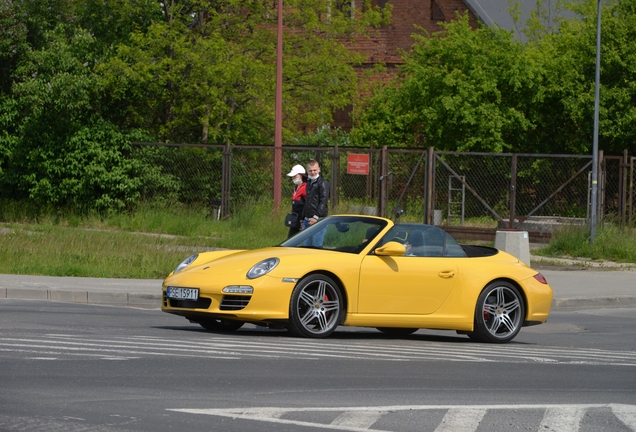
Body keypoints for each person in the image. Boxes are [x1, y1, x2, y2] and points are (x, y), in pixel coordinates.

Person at [301, 159, 329, 246]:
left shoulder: (322, 183)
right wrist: (302, 218)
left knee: (316, 246)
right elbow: (307, 202)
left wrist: (316, 217)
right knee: (305, 246)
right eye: (310, 170)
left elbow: (323, 202)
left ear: (319, 170)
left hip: (318, 220)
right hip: (307, 219)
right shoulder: (308, 183)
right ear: (307, 171)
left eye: (315, 170)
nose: (313, 172)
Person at [286, 164, 307, 238]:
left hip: (302, 219)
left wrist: (302, 219)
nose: (293, 178)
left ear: (301, 175)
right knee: (291, 238)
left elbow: (306, 204)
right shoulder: (295, 188)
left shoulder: (305, 187)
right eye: (292, 176)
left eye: (295, 176)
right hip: (295, 219)